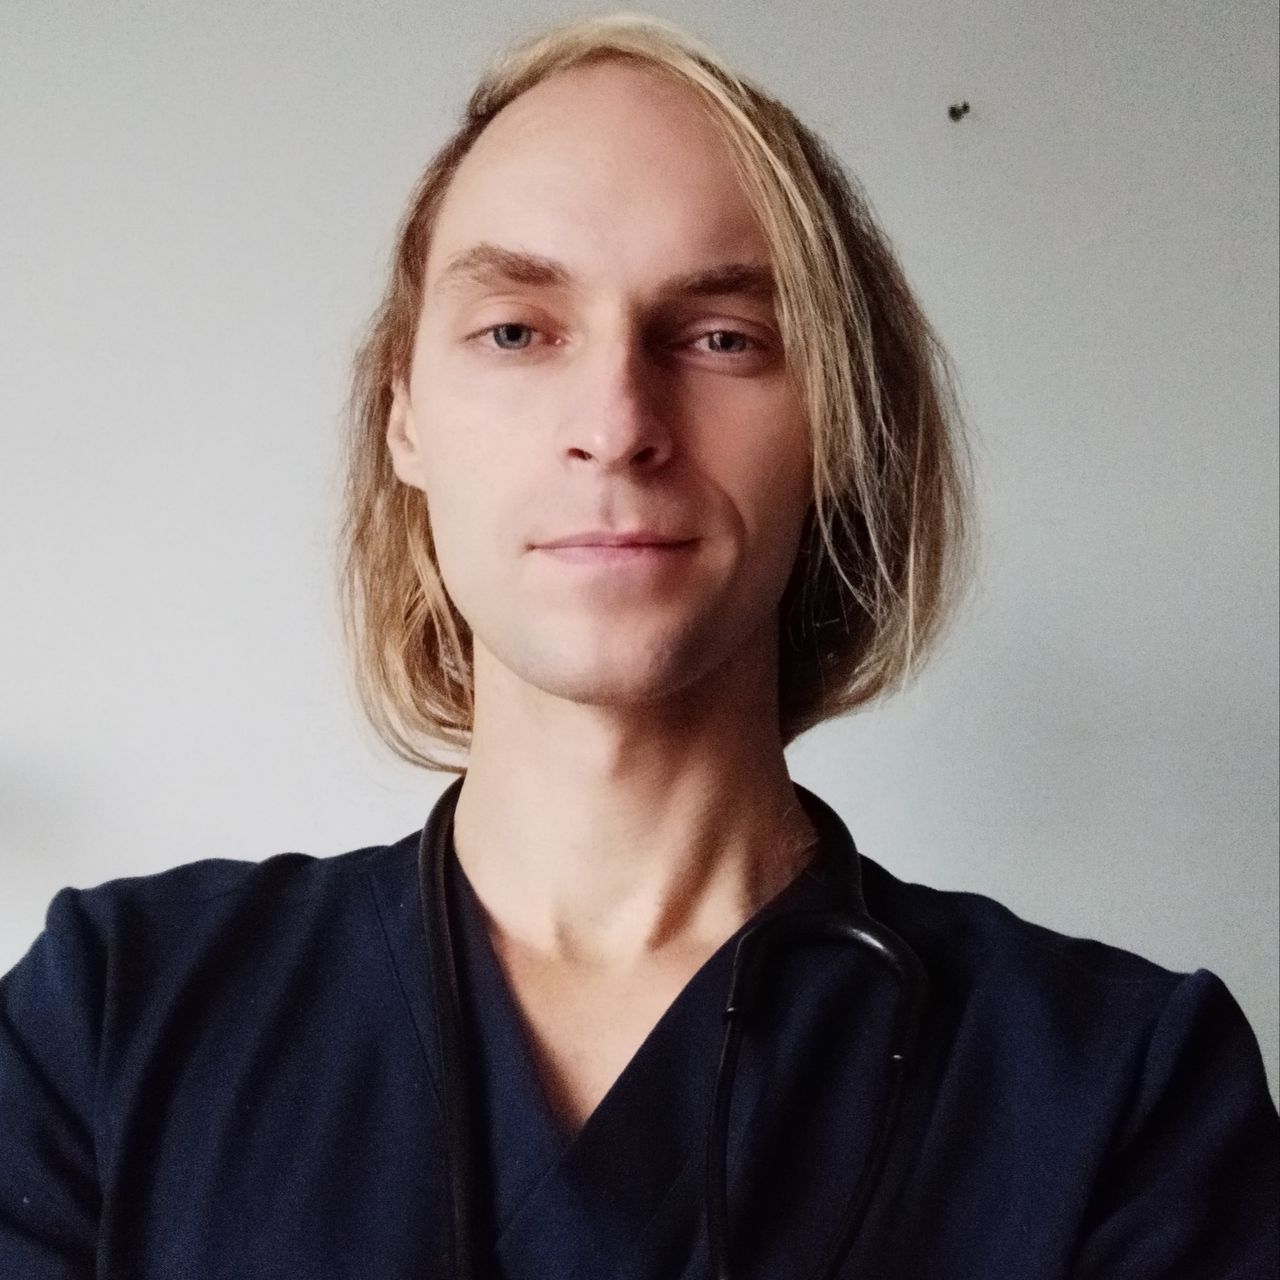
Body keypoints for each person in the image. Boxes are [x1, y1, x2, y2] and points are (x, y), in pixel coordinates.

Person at [2, 11, 1276, 1279]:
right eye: (516, 330)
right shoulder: (108, 1021)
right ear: (404, 418)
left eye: (721, 337)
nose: (614, 425)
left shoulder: (1120, 1093)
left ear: (837, 422)